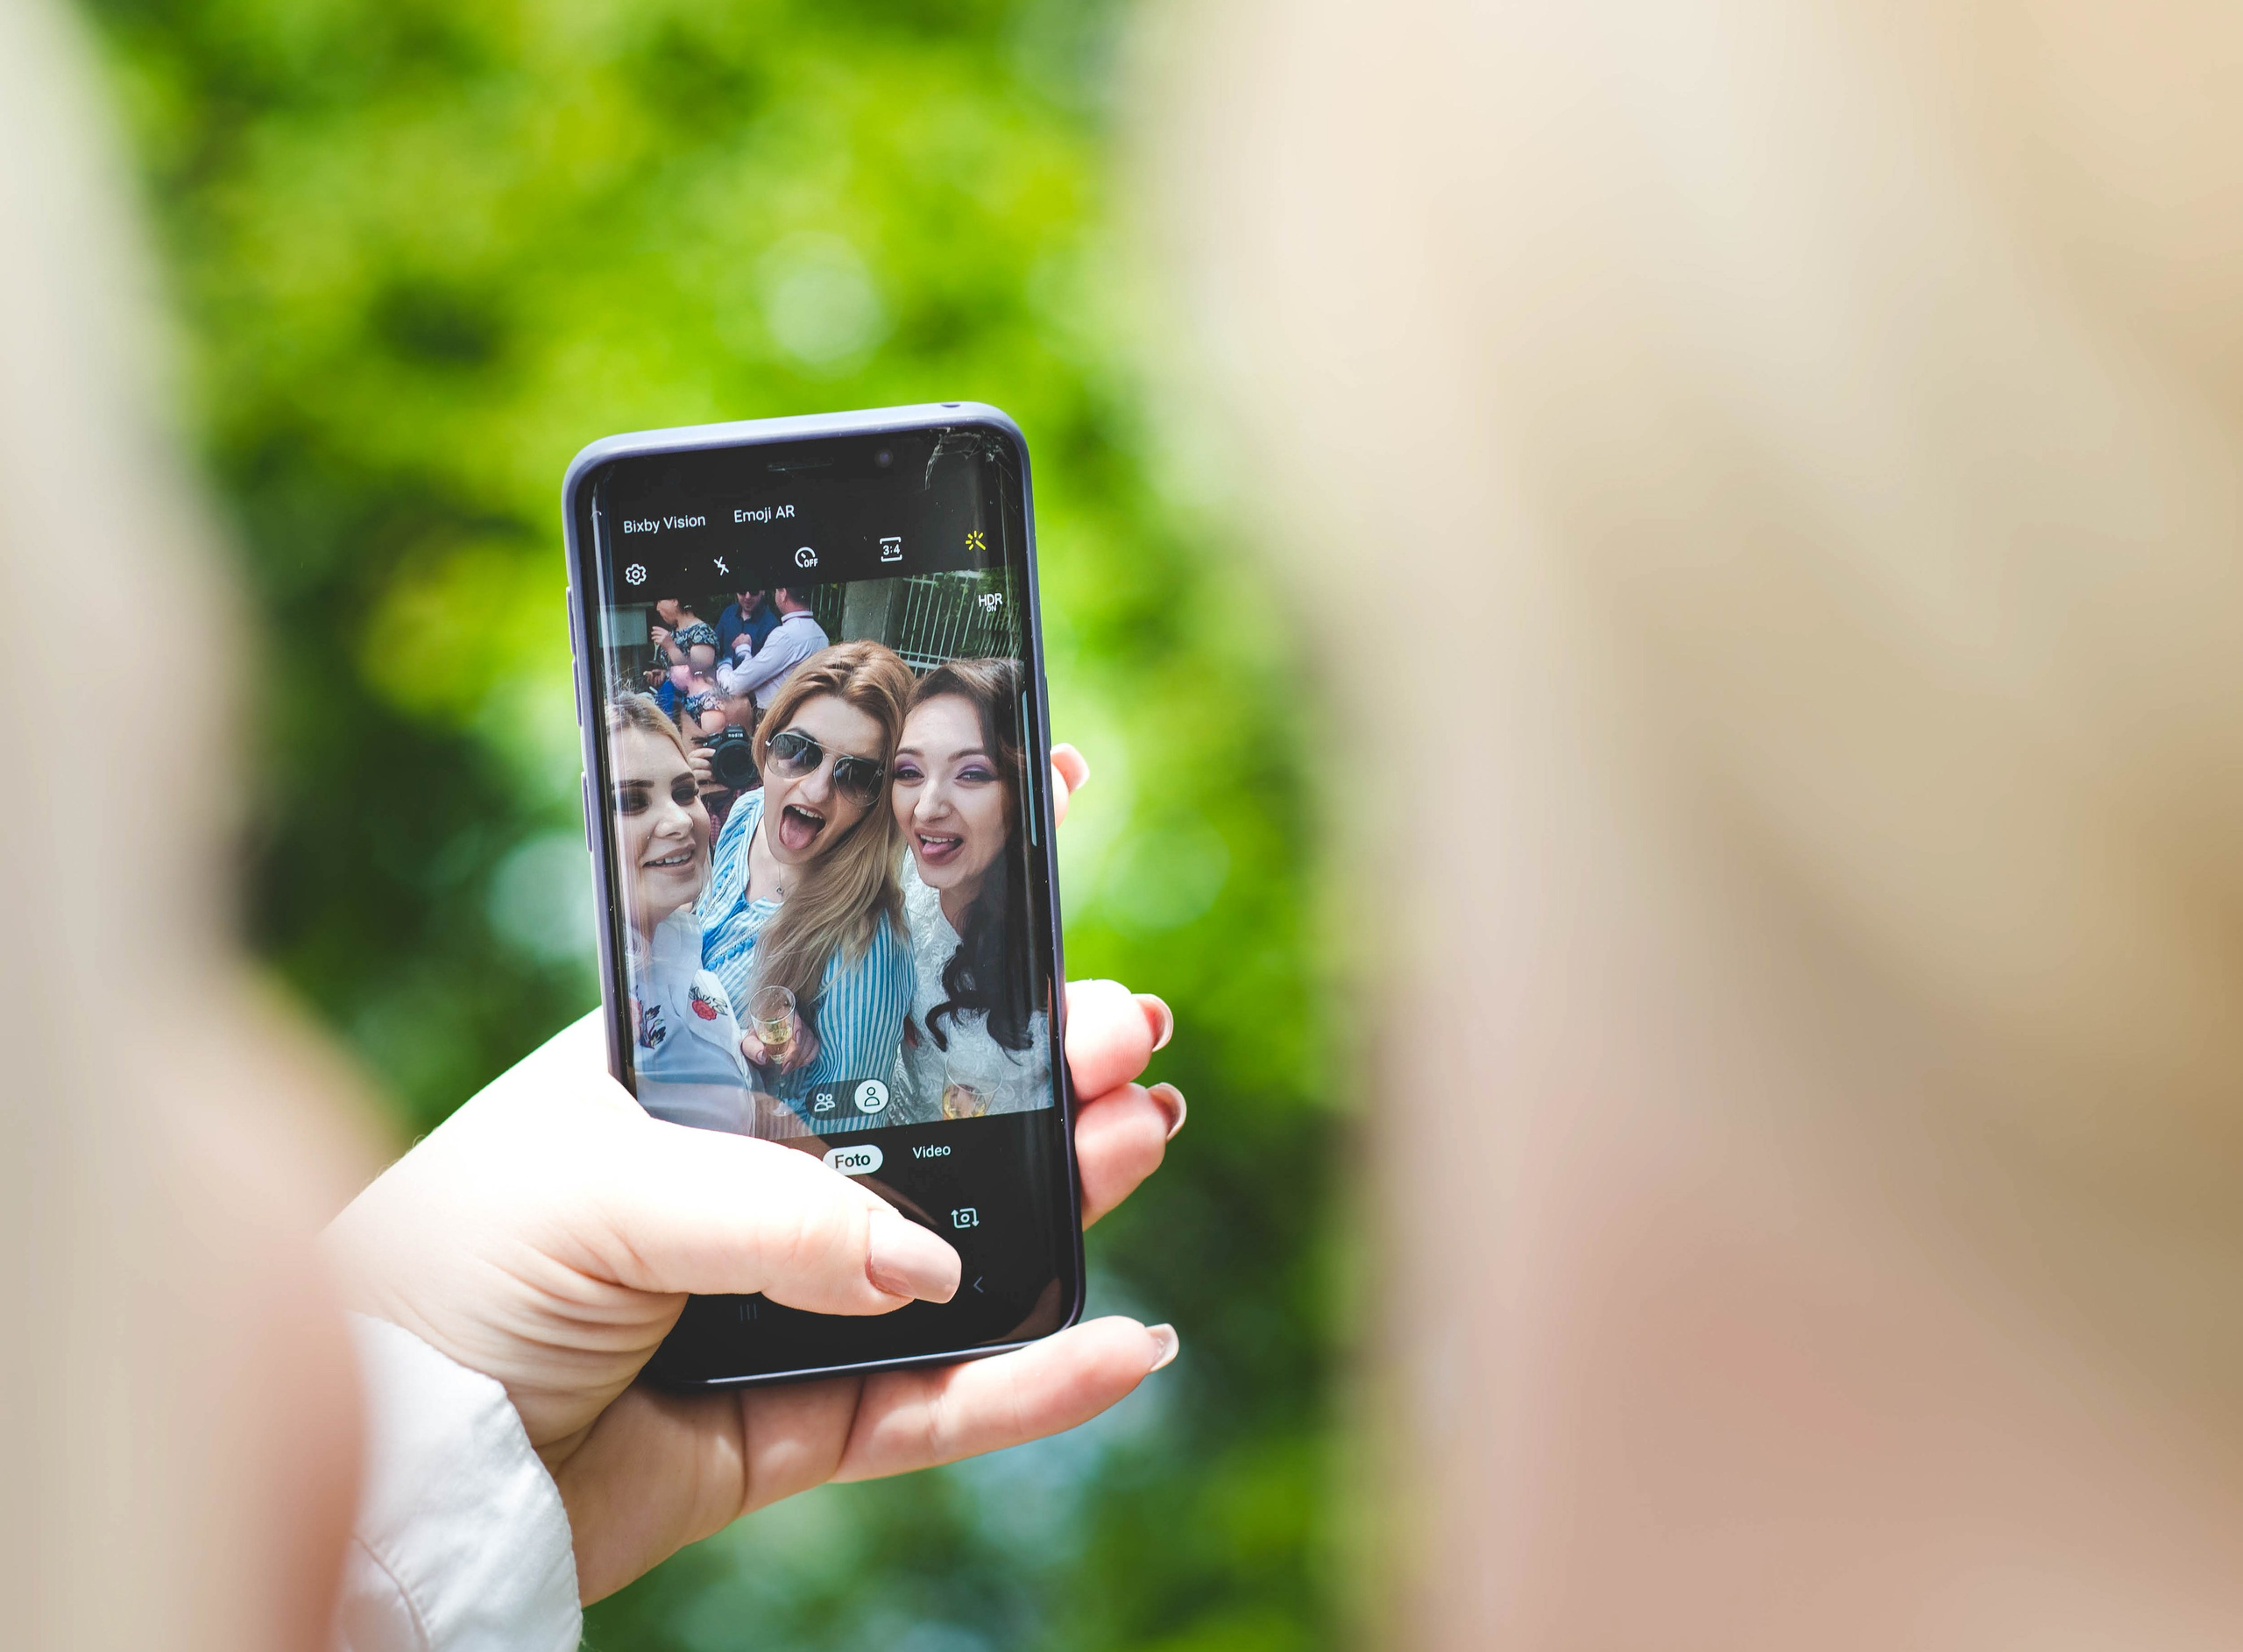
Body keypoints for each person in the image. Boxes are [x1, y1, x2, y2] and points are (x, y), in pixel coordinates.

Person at [0, 5, 1189, 1645]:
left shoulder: (889, 934)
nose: (840, 792)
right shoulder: (699, 905)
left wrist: (419, 1477)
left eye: (889, 771)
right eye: (818, 754)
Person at [699, 639, 915, 1133]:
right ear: (768, 740)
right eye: (798, 750)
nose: (816, 790)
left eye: (856, 775)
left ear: (879, 800)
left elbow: (848, 1140)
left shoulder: (866, 945)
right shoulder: (750, 812)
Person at [888, 658, 1050, 1122]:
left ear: (1023, 790)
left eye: (972, 773)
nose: (927, 807)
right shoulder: (899, 880)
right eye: (909, 772)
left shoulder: (1059, 938)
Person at [606, 693, 754, 1131]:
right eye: (632, 800)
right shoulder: (605, 1019)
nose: (679, 820)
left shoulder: (675, 937)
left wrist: (746, 1050)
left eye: (684, 791)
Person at [717, 582, 828, 713]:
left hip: (773, 716)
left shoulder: (784, 636)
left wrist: (727, 661)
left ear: (783, 594)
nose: (747, 596)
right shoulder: (821, 636)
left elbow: (735, 685)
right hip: (802, 713)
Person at [717, 587, 777, 663]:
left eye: (753, 591)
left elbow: (770, 664)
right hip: (723, 671)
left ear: (763, 591)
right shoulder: (728, 613)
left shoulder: (771, 624)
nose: (747, 596)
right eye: (742, 591)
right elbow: (716, 648)